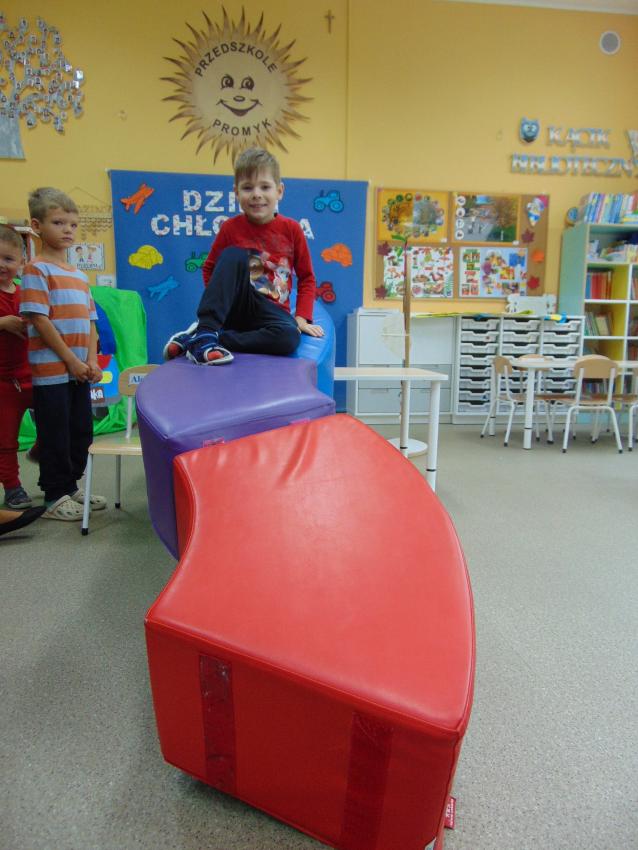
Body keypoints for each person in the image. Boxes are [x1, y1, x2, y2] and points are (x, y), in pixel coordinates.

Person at [163, 147, 324, 365]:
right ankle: (206, 330)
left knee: (289, 337)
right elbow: (210, 268)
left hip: (271, 313)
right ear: (236, 193)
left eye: (265, 187)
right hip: (239, 306)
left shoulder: (292, 229)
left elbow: (306, 278)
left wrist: (301, 318)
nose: (256, 194)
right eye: (248, 188)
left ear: (279, 191)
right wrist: (222, 304)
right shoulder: (230, 228)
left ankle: (206, 339)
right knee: (235, 255)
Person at [19, 188, 106, 522]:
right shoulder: (36, 269)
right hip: (52, 371)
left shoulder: (80, 276)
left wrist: (91, 361)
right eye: (58, 223)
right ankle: (55, 492)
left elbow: (91, 321)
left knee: (81, 430)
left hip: (80, 369)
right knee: (55, 432)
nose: (68, 230)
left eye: (72, 224)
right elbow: (40, 321)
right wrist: (71, 360)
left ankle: (71, 485)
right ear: (37, 226)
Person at [0, 224, 35, 510]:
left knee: (57, 420)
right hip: (3, 383)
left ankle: (43, 450)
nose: (2, 265)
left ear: (21, 262)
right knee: (6, 439)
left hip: (32, 375)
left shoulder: (25, 293)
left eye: (8, 259)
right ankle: (12, 488)